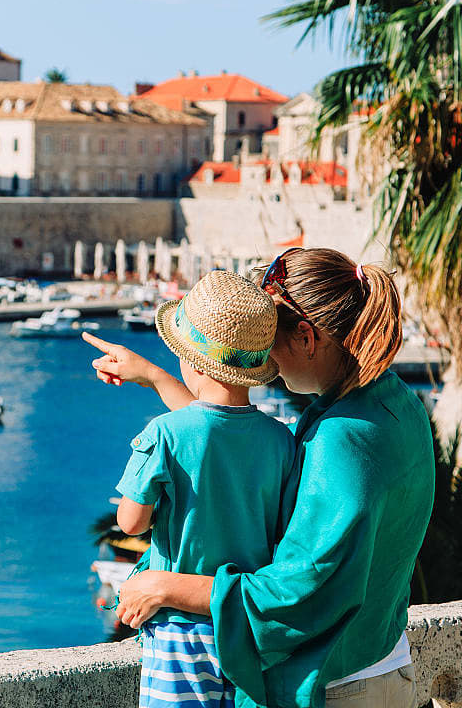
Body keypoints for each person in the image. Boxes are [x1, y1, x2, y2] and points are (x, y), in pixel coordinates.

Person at [83, 248, 435, 708]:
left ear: (307, 337)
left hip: (336, 684)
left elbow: (296, 591)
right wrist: (153, 377)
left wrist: (165, 586)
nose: (265, 359)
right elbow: (229, 437)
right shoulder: (395, 404)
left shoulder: (338, 439)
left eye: (272, 339)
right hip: (384, 662)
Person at [108, 270, 297, 708]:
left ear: (188, 360)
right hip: (244, 626)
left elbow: (130, 522)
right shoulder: (281, 440)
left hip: (179, 631)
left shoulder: (165, 433)